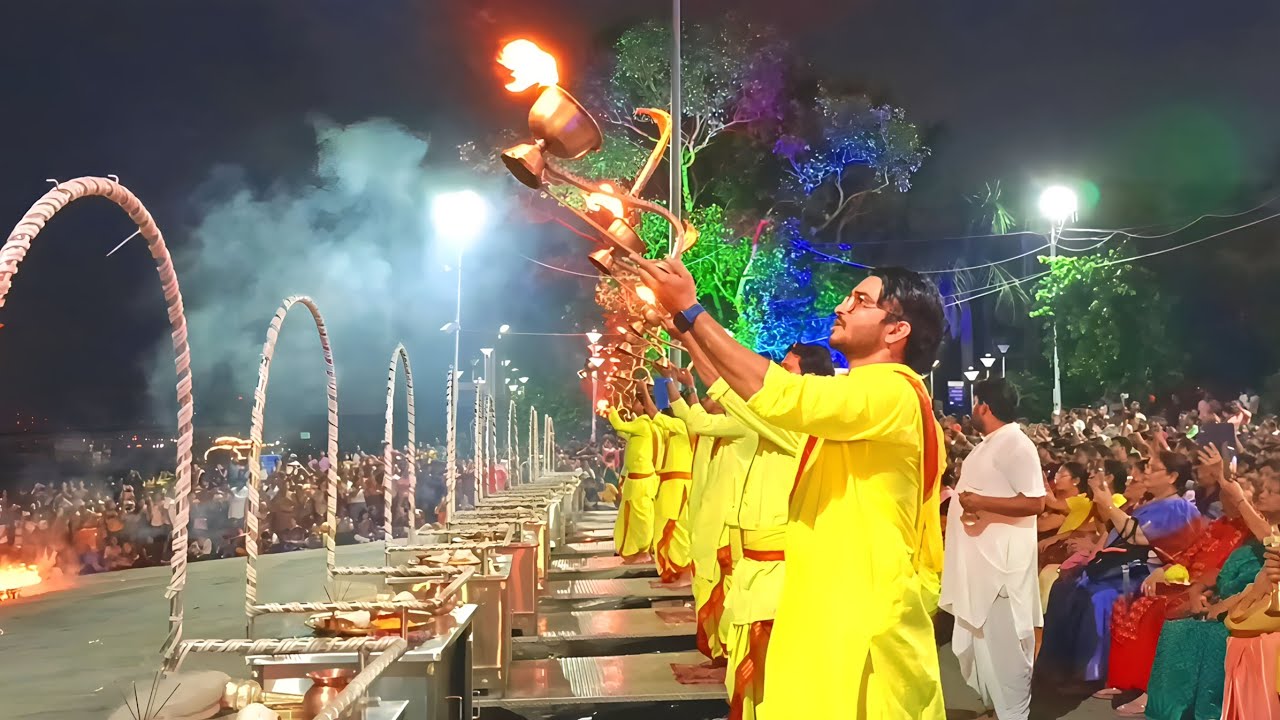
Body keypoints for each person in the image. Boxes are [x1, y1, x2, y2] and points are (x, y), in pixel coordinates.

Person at [635, 256, 947, 719]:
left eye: (860, 300)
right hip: (828, 604)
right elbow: (741, 389)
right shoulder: (859, 399)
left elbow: (779, 395)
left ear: (896, 330)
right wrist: (683, 322)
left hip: (863, 615)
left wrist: (693, 310)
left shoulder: (893, 392)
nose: (841, 307)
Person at [940, 379, 1045, 720]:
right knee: (985, 647)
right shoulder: (992, 443)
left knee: (1006, 650)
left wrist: (980, 501)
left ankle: (1013, 713)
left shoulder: (1016, 444)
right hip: (981, 565)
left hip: (1001, 569)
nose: (972, 410)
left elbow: (1036, 502)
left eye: (975, 404)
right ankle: (998, 710)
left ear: (984, 405)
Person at [670, 365, 757, 665]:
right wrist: (677, 383)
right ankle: (723, 649)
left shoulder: (743, 425)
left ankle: (727, 650)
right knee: (707, 581)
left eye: (713, 393)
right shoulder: (722, 427)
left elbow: (697, 421)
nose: (707, 397)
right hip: (710, 518)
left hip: (728, 523)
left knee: (723, 589)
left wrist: (683, 380)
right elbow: (696, 419)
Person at [648, 378, 695, 584]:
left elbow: (656, 414)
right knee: (668, 527)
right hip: (671, 484)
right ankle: (674, 570)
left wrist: (645, 387)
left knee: (675, 528)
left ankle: (683, 571)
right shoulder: (675, 427)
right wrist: (661, 382)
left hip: (678, 484)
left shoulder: (682, 424)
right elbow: (660, 411)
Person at [606, 394, 661, 563]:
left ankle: (644, 550)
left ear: (644, 406)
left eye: (636, 401)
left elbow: (618, 424)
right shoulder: (642, 425)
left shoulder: (643, 423)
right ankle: (638, 550)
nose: (633, 404)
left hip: (641, 480)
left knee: (642, 517)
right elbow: (622, 431)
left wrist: (611, 407)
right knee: (634, 516)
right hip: (637, 479)